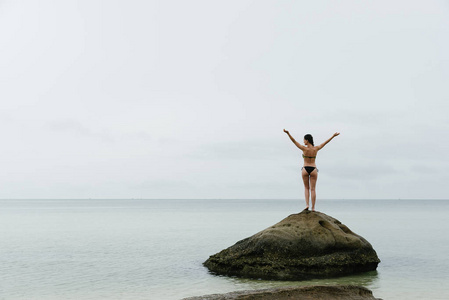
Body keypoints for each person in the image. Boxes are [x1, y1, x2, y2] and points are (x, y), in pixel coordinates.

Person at [283, 129, 340, 212]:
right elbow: (325, 143)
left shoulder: (304, 149)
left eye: (304, 140)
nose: (303, 142)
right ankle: (313, 208)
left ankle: (307, 205)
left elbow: (294, 141)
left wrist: (288, 133)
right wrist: (333, 136)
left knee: (306, 188)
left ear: (307, 140)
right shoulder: (316, 149)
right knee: (313, 189)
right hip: (313, 169)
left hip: (305, 169)